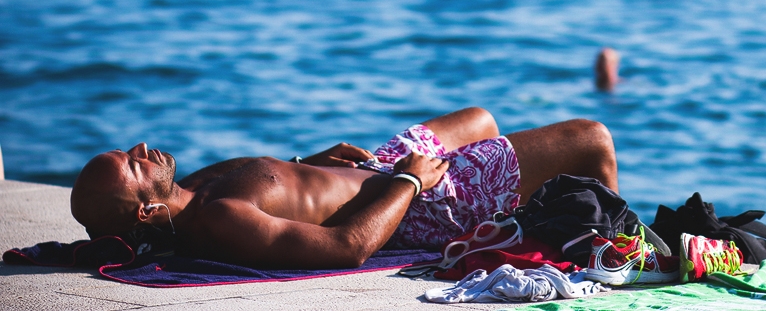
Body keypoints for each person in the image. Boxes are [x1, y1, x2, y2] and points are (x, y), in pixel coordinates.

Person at [70, 108, 619, 270]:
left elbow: (276, 185)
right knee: (592, 139)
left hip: (380, 169)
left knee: (479, 119)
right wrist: (411, 180)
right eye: (133, 166)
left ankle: (517, 203)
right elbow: (347, 247)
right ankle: (612, 248)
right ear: (148, 211)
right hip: (417, 202)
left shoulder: (190, 190)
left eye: (128, 150)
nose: (142, 148)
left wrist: (306, 164)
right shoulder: (220, 219)